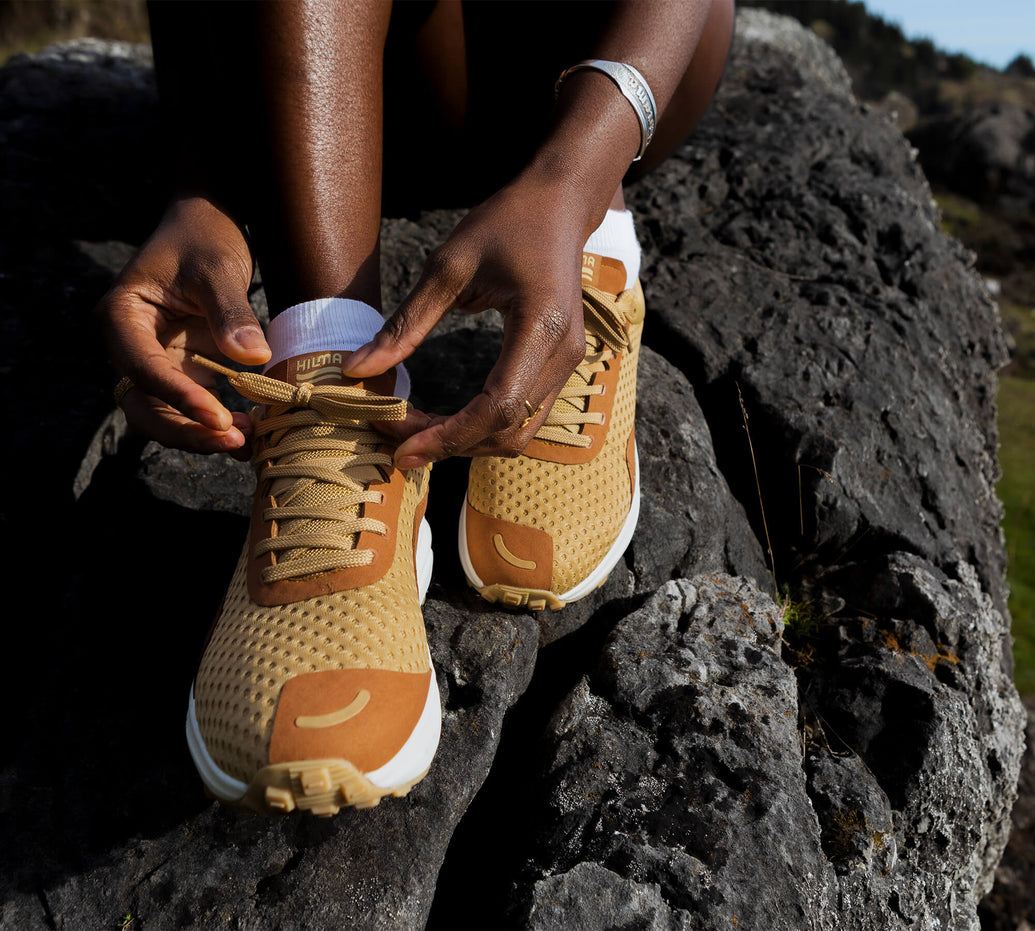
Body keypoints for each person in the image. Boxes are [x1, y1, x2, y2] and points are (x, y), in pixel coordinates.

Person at [97, 0, 734, 816]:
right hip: (339, 79)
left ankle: (588, 239)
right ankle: (334, 387)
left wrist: (572, 176)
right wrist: (204, 185)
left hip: (607, 64)